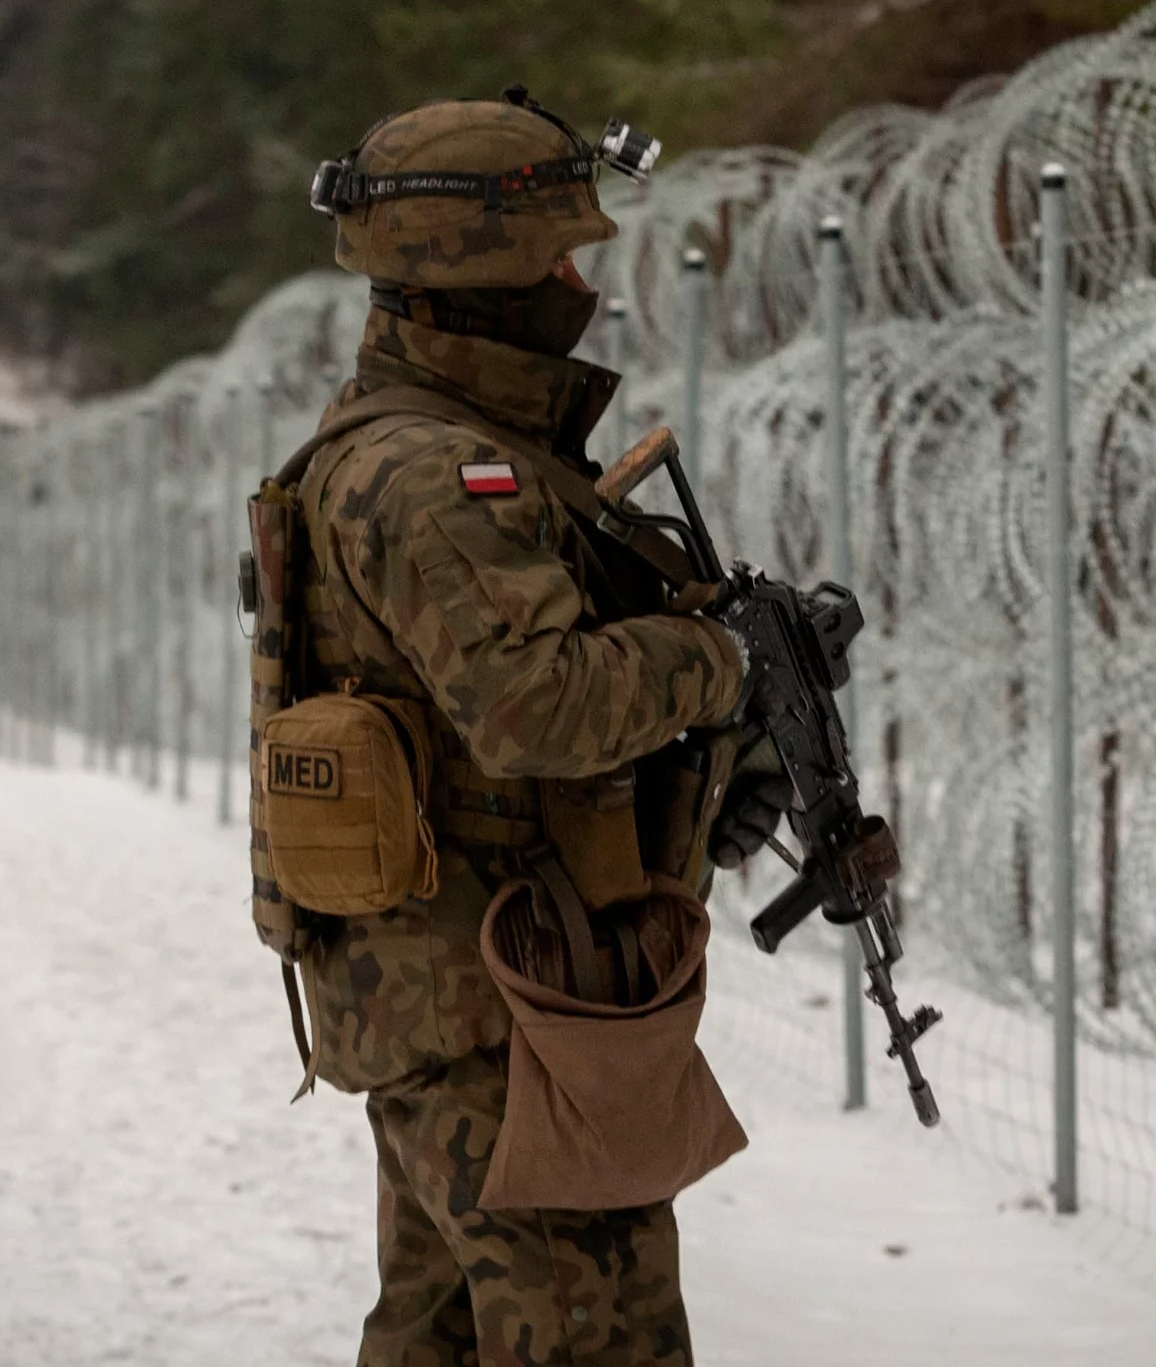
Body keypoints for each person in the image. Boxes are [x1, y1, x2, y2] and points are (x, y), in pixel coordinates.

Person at [262, 92, 789, 1366]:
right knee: (593, 1335)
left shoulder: (436, 448)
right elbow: (533, 706)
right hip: (502, 1004)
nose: (576, 281)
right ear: (478, 271)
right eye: (555, 254)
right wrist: (718, 660)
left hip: (453, 993)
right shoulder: (437, 471)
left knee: (436, 1333)